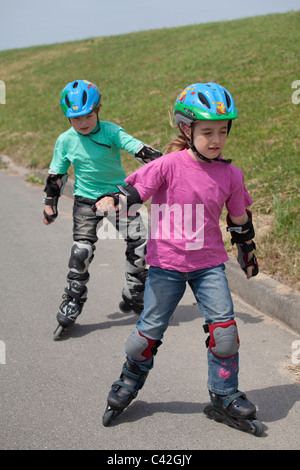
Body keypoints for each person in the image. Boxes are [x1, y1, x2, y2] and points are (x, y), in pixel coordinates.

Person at [96, 82, 263, 435]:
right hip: (166, 265)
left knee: (225, 334)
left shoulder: (231, 174)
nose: (216, 139)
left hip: (209, 265)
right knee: (147, 336)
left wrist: (247, 251)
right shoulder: (168, 165)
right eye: (207, 132)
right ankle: (128, 381)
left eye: (222, 131)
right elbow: (134, 191)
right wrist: (113, 201)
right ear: (186, 129)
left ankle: (224, 394)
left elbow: (238, 219)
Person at [42, 79, 162, 340]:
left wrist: (161, 161)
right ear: (67, 118)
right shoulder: (65, 141)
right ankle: (73, 298)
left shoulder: (110, 132)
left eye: (88, 115)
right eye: (76, 118)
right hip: (85, 200)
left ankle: (134, 291)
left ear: (98, 110)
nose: (83, 122)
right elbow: (56, 175)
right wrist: (50, 204)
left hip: (118, 197)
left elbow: (138, 148)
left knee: (141, 243)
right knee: (81, 251)